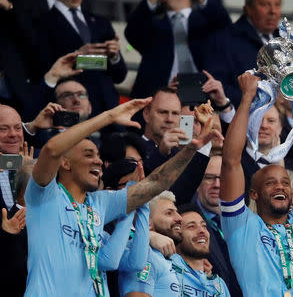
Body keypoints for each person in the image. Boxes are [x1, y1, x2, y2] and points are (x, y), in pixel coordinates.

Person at [24, 97, 222, 296]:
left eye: (98, 156)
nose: (98, 161)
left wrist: (191, 148)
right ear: (65, 163)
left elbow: (156, 182)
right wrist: (110, 117)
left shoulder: (100, 202)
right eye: (88, 154)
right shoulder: (45, 196)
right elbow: (51, 150)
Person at [220, 72, 293, 296]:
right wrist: (247, 98)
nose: (281, 187)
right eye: (270, 183)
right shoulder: (240, 226)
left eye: (285, 183)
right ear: (254, 194)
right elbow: (231, 161)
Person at [35, 0, 127, 116]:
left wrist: (114, 57)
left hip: (108, 109)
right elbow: (40, 68)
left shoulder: (101, 22)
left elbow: (120, 75)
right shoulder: (42, 23)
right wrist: (77, 54)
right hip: (71, 110)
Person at [124, 0, 230, 99]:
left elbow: (226, 29)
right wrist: (150, 1)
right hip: (159, 100)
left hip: (201, 98)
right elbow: (132, 33)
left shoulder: (207, 21)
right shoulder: (152, 24)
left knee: (188, 116)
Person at [204, 0, 282, 105]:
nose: (273, 11)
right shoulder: (223, 41)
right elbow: (217, 87)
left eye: (277, 5)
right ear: (248, 9)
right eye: (265, 5)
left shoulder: (287, 40)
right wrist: (265, 101)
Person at [192, 154, 242, 296]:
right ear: (197, 183)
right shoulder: (185, 221)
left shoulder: (245, 221)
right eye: (209, 178)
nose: (217, 184)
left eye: (223, 178)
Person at [172, 205, 230, 297]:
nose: (202, 230)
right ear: (176, 236)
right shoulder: (168, 272)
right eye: (191, 227)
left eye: (204, 226)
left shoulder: (219, 284)